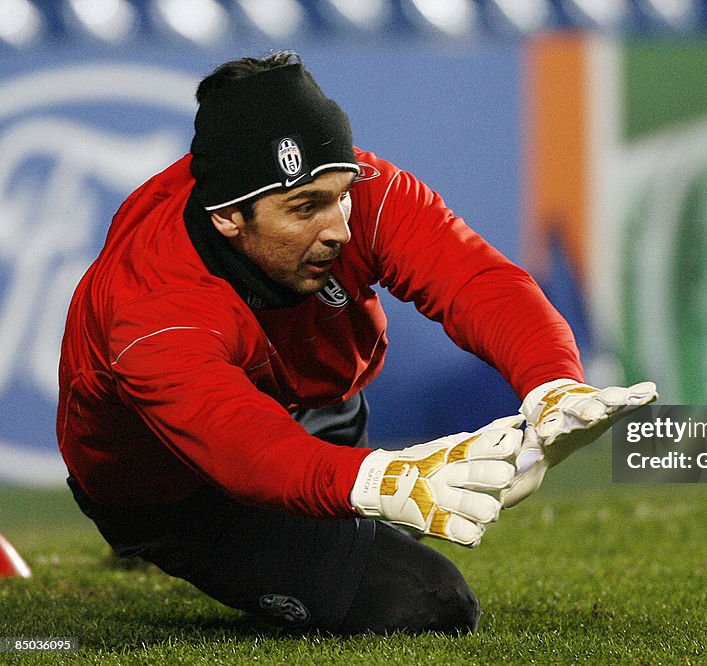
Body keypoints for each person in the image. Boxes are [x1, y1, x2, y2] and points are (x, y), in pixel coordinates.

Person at [57, 51, 656, 636]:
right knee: (428, 601)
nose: (340, 227)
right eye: (306, 208)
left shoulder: (354, 186)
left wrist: (552, 382)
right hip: (175, 482)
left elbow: (477, 281)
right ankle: (158, 549)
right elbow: (244, 450)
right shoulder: (150, 304)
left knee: (382, 516)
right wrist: (381, 481)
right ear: (228, 219)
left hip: (311, 399)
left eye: (341, 193)